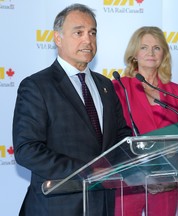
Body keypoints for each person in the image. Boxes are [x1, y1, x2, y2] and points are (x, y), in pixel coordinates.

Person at [12, 3, 131, 216]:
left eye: (92, 33)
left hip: (102, 204)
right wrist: (88, 170)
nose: (88, 39)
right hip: (57, 207)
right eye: (79, 32)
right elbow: (27, 150)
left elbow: (121, 137)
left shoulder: (106, 86)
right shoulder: (37, 86)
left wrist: (130, 164)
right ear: (58, 38)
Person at [113, 26, 178, 216]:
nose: (151, 53)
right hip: (129, 181)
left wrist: (169, 176)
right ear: (134, 54)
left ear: (164, 54)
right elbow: (115, 138)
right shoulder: (119, 87)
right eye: (144, 47)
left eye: (157, 48)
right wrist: (141, 176)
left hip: (166, 182)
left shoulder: (175, 90)